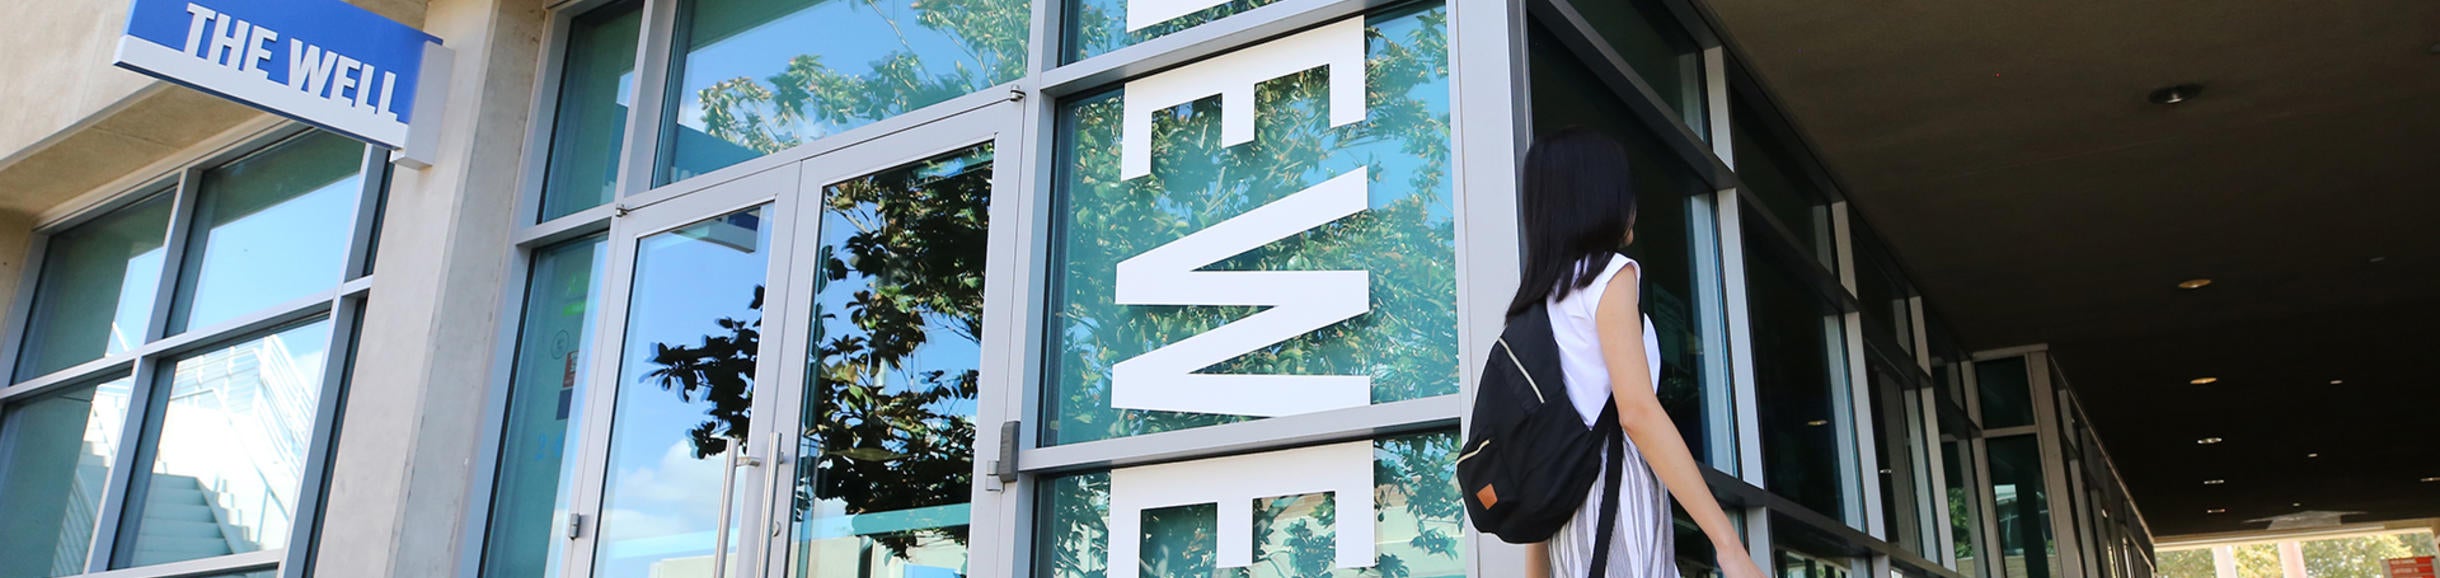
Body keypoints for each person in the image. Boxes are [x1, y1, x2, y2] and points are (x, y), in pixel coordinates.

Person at [1514, 128, 1767, 578]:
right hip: (1616, 494)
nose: (1633, 203)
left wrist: (1536, 569)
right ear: (1599, 196)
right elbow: (1638, 412)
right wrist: (1729, 547)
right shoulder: (1610, 276)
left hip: (1569, 513)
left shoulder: (1539, 302)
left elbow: (1541, 444)